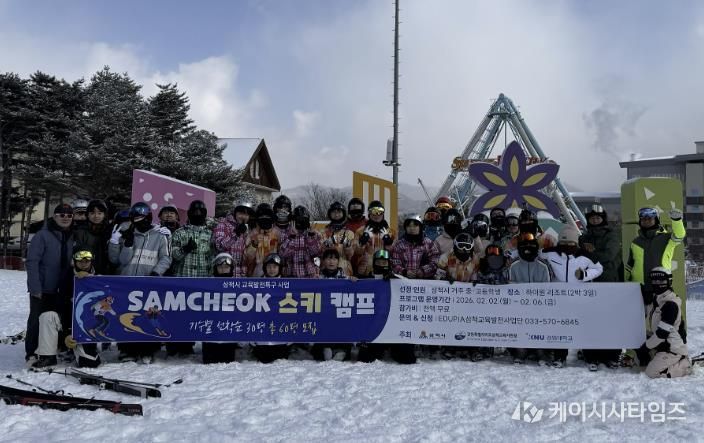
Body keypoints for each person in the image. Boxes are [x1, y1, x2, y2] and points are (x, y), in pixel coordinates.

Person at [108, 201, 171, 363]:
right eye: (136, 219)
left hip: (149, 281)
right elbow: (119, 260)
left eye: (143, 218)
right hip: (127, 282)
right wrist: (126, 244)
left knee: (148, 315)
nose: (140, 222)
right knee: (126, 315)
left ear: (149, 217)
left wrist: (157, 273)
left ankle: (147, 350)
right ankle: (126, 349)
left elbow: (166, 257)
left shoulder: (159, 235)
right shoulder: (127, 233)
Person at [540, 225, 603, 369]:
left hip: (580, 298)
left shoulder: (585, 255)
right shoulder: (550, 253)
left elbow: (598, 268)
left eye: (570, 243)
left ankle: (590, 358)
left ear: (576, 243)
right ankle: (559, 357)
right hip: (559, 298)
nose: (567, 246)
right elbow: (535, 254)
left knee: (584, 326)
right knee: (560, 327)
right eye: (563, 243)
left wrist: (585, 275)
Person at [32, 248, 101, 368]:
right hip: (71, 323)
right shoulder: (66, 276)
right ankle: (48, 356)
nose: (84, 263)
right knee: (48, 316)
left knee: (89, 363)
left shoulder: (101, 277)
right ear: (74, 260)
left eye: (87, 259)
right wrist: (67, 333)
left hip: (89, 326)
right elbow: (62, 306)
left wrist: (90, 279)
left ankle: (83, 350)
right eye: (80, 260)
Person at [25, 203, 75, 364]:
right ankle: (31, 351)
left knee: (56, 321)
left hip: (61, 288)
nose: (65, 218)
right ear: (54, 216)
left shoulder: (71, 235)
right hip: (43, 288)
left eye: (69, 215)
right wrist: (35, 287)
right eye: (62, 215)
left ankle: (53, 348)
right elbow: (32, 262)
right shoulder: (42, 235)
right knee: (36, 320)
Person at [579, 203, 623, 369]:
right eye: (592, 218)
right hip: (590, 284)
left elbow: (609, 255)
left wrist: (591, 253)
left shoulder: (612, 235)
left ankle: (612, 355)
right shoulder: (584, 237)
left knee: (610, 320)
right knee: (590, 320)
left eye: (598, 217)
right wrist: (593, 254)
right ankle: (591, 355)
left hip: (609, 283)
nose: (595, 220)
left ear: (603, 218)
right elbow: (581, 257)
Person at [168, 200, 214, 356]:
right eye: (195, 212)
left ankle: (190, 343)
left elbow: (213, 257)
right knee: (180, 314)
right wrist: (185, 248)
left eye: (201, 212)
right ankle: (176, 345)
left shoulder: (210, 234)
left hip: (202, 281)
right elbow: (173, 255)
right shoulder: (180, 233)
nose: (198, 214)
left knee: (196, 315)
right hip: (182, 279)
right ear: (189, 214)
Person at [636, 267, 691, 378]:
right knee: (638, 358)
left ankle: (685, 365)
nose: (657, 284)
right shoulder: (657, 299)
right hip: (662, 344)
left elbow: (662, 334)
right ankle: (657, 358)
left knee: (651, 373)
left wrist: (645, 348)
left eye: (661, 281)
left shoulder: (670, 305)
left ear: (669, 282)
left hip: (672, 348)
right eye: (654, 281)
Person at [625, 207, 685, 305]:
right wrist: (625, 283)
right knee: (638, 315)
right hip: (639, 289)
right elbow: (629, 265)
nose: (646, 221)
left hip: (661, 288)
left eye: (650, 219)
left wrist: (677, 220)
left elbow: (679, 235)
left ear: (656, 220)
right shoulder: (635, 242)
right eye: (643, 219)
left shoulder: (666, 238)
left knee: (664, 313)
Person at [508, 232, 552, 365]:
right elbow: (510, 288)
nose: (527, 249)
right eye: (524, 246)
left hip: (539, 307)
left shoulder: (543, 266)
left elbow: (547, 289)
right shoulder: (514, 266)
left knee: (540, 325)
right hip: (519, 307)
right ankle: (520, 351)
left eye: (531, 246)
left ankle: (541, 352)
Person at [312, 248, 353, 361]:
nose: (331, 262)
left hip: (339, 313)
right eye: (329, 258)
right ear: (324, 261)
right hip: (323, 313)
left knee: (343, 331)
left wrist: (354, 282)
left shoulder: (344, 277)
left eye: (335, 259)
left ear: (338, 261)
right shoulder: (318, 277)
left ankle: (341, 351)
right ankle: (326, 349)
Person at [250, 253, 292, 363]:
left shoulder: (289, 285)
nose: (272, 270)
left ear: (279, 268)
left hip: (282, 337)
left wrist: (292, 336)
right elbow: (251, 311)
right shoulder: (257, 285)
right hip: (261, 338)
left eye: (275, 267)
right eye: (269, 267)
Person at [202, 253, 239, 364]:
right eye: (220, 267)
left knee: (228, 362)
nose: (223, 270)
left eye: (226, 267)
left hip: (229, 331)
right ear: (215, 268)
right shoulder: (207, 284)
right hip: (210, 332)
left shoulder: (237, 285)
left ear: (231, 268)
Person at [213, 201, 255, 277]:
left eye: (246, 215)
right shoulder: (223, 225)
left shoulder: (247, 229)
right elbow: (219, 246)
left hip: (240, 276)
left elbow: (246, 255)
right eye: (241, 213)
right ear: (235, 213)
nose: (243, 217)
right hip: (225, 274)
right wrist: (236, 233)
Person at [391, 215, 440, 280]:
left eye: (415, 225)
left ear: (420, 227)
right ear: (405, 228)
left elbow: (435, 261)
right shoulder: (399, 244)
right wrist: (405, 272)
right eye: (409, 226)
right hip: (404, 282)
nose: (412, 228)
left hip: (425, 281)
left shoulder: (428, 243)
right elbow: (394, 263)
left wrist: (423, 271)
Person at [353, 200, 394, 277]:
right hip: (365, 270)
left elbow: (395, 254)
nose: (377, 215)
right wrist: (362, 242)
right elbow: (356, 253)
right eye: (373, 212)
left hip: (384, 271)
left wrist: (388, 243)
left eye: (380, 212)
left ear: (383, 214)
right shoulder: (360, 231)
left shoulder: (391, 232)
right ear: (369, 214)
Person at [279, 206, 322, 278]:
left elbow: (317, 253)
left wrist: (311, 236)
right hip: (291, 276)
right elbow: (283, 254)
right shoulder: (285, 234)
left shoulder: (314, 234)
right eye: (298, 220)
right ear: (292, 221)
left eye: (303, 220)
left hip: (309, 276)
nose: (300, 222)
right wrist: (292, 237)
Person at [73, 199, 112, 275]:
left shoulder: (110, 231)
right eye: (92, 213)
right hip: (86, 272)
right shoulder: (81, 231)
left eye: (99, 213)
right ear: (87, 215)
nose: (96, 216)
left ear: (104, 215)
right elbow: (78, 253)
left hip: (107, 273)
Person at [245, 203, 281, 277]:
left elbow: (283, 252)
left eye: (267, 216)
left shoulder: (277, 233)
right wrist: (254, 244)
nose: (265, 219)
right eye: (262, 217)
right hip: (256, 272)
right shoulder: (252, 234)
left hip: (273, 271)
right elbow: (247, 257)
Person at [321, 201, 355, 276]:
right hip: (327, 268)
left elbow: (350, 256)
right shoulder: (324, 232)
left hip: (344, 269)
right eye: (334, 212)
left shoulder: (349, 233)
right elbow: (320, 252)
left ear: (343, 214)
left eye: (339, 212)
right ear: (330, 214)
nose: (336, 215)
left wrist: (348, 246)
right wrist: (326, 245)